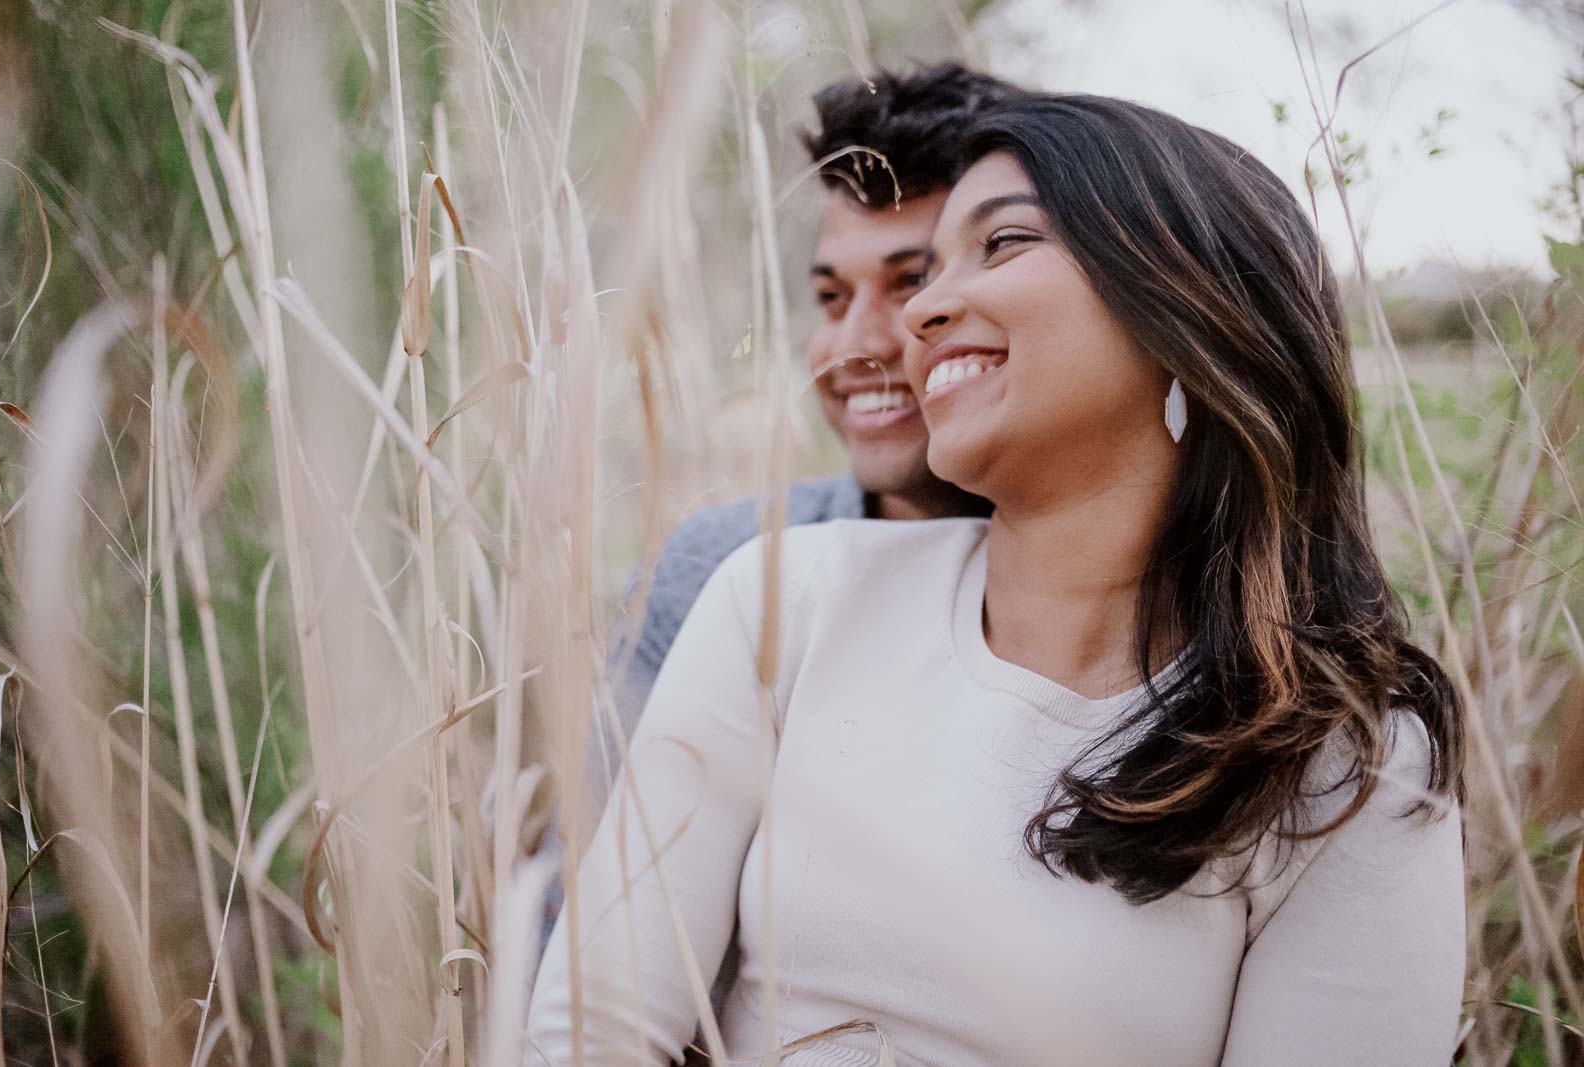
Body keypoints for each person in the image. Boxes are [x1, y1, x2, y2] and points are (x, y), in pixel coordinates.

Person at [527, 92, 1467, 1067]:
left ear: (1186, 307)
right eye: (929, 270)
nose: (920, 316)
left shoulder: (1347, 760)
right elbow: (591, 1032)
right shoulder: (781, 595)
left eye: (1003, 243)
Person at [603, 63, 1013, 753]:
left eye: (913, 283)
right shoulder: (712, 568)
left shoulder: (1181, 582)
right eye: (832, 297)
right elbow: (596, 852)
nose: (852, 346)